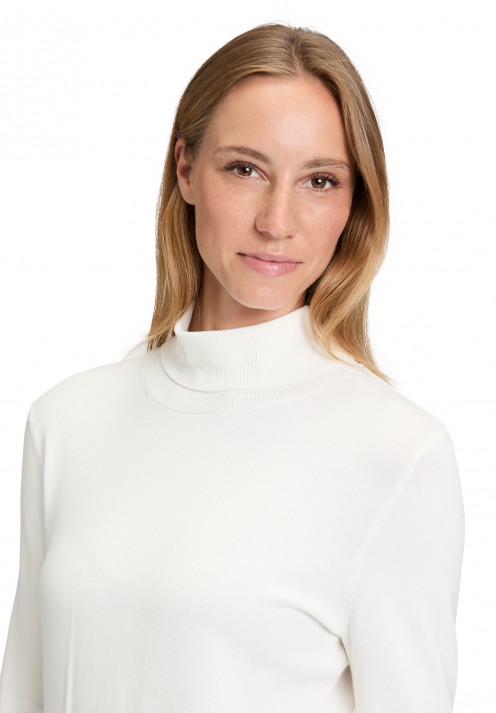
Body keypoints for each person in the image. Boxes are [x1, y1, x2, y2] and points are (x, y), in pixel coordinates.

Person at [0, 22, 465, 713]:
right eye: (245, 169)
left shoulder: (397, 454)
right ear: (186, 170)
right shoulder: (66, 421)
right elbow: (24, 693)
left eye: (319, 181)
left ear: (353, 203)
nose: (277, 221)